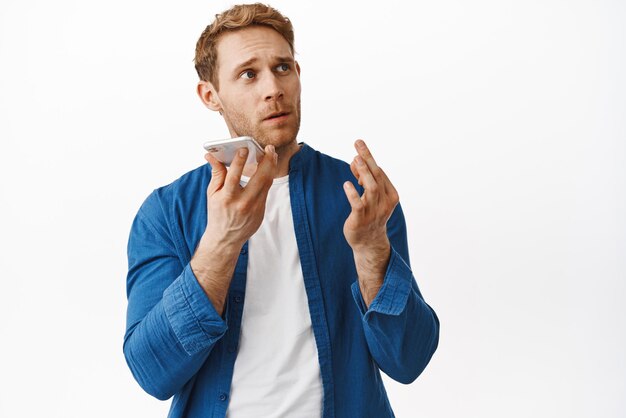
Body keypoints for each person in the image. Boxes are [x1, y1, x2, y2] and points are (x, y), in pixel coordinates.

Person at [123, 3, 440, 417]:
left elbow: (409, 360)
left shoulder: (362, 198)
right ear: (210, 95)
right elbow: (152, 372)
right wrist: (222, 241)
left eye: (283, 68)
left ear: (299, 75)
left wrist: (372, 252)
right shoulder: (166, 211)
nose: (273, 87)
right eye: (249, 74)